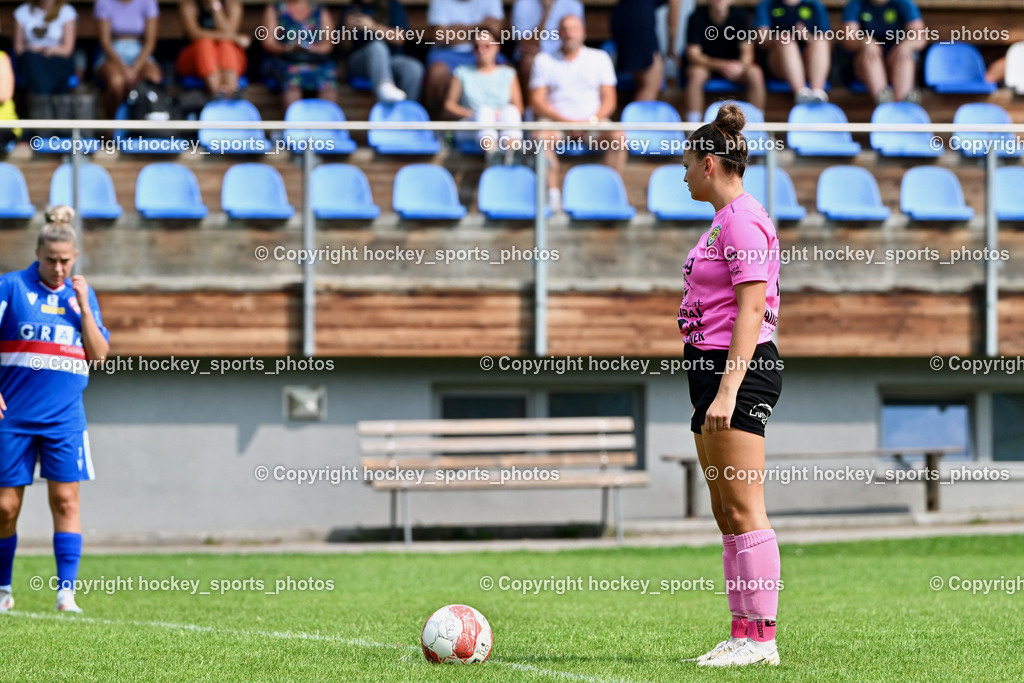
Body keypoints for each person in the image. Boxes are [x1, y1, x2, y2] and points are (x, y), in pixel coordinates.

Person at [676, 104, 783, 667]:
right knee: (725, 511)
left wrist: (727, 391)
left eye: (688, 164)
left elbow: (750, 311)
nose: (684, 174)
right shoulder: (722, 220)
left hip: (736, 372)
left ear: (710, 163)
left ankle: (761, 640)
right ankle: (742, 632)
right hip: (709, 370)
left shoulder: (743, 219)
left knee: (746, 507)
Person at [0, 206, 110, 615]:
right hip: (12, 415)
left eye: (66, 261)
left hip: (65, 417)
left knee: (66, 501)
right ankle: (2, 588)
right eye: (51, 260)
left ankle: (66, 595)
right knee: (5, 507)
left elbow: (98, 354)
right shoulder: (10, 288)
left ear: (75, 256)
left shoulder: (82, 295)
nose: (59, 268)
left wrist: (82, 304)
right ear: (37, 254)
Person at [530, 14, 625, 211]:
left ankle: (608, 193)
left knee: (619, 138)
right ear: (559, 33)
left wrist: (590, 122)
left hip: (592, 123)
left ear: (583, 32)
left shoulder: (600, 58)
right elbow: (537, 101)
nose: (569, 33)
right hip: (557, 123)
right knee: (539, 138)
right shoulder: (543, 60)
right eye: (565, 29)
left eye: (573, 28)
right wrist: (565, 122)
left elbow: (609, 100)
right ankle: (553, 196)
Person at [444, 29, 523, 162]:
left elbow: (518, 108)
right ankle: (492, 154)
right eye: (476, 47)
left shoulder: (508, 73)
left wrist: (496, 114)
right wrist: (474, 114)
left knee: (510, 111)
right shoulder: (461, 72)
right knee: (485, 112)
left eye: (486, 45)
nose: (481, 50)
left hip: (501, 122)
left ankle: (513, 155)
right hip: (471, 125)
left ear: (497, 47)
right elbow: (449, 105)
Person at [685, 0, 766, 121]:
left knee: (756, 73)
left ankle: (759, 125)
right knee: (696, 74)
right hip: (708, 66)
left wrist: (740, 66)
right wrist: (720, 65)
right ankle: (692, 128)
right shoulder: (696, 16)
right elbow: (693, 54)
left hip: (734, 67)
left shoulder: (740, 15)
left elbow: (747, 51)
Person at [423, 0, 504, 115]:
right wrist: (480, 27)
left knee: (507, 69)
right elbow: (440, 36)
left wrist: (457, 29)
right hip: (447, 54)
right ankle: (438, 125)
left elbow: (496, 31)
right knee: (437, 73)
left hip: (483, 48)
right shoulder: (439, 2)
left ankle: (502, 121)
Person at [841, 0, 925, 103]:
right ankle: (883, 101)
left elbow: (920, 37)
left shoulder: (904, 3)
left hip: (894, 58)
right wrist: (864, 41)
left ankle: (904, 103)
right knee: (870, 55)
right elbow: (848, 38)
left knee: (905, 55)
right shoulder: (855, 4)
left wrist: (907, 44)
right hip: (864, 65)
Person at [260, 0, 338, 111]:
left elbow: (328, 44)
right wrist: (290, 48)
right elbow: (268, 43)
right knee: (292, 73)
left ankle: (326, 123)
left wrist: (312, 48)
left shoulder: (318, 9)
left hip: (313, 59)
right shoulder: (276, 8)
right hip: (284, 59)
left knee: (329, 72)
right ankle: (293, 124)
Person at [344, 0, 423, 103]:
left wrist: (373, 27)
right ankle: (384, 85)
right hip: (360, 62)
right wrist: (346, 30)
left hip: (391, 59)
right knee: (377, 46)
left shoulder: (393, 5)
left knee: (414, 68)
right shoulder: (351, 8)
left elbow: (399, 38)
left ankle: (407, 111)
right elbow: (344, 48)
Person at [94, 0, 162, 119]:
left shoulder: (149, 2)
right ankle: (110, 125)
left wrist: (134, 70)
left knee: (152, 78)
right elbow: (105, 42)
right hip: (112, 54)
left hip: (140, 54)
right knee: (116, 81)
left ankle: (141, 124)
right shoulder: (104, 2)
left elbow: (150, 43)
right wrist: (124, 68)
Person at [753, 0, 831, 103]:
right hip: (778, 64)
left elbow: (828, 42)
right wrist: (777, 39)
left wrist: (807, 37)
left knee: (820, 42)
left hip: (809, 64)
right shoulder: (767, 5)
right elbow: (761, 41)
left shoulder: (814, 4)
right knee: (787, 42)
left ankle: (817, 92)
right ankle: (801, 94)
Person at [510, 0, 583, 103]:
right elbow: (528, 43)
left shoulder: (573, 5)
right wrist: (546, 12)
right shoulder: (522, 5)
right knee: (530, 61)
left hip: (565, 53)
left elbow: (576, 37)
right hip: (536, 56)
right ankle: (530, 111)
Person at [610, 0, 681, 102]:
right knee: (652, 83)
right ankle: (636, 117)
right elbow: (672, 18)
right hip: (638, 20)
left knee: (643, 82)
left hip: (621, 14)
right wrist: (671, 47)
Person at [177, 0, 250, 97]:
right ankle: (217, 92)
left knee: (227, 45)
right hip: (194, 59)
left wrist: (216, 9)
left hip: (225, 56)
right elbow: (194, 34)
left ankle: (229, 90)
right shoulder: (188, 4)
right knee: (204, 44)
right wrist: (234, 37)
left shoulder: (233, 5)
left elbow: (230, 32)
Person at [13, 0, 77, 96]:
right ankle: (42, 99)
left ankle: (40, 99)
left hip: (56, 60)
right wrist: (33, 50)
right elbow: (18, 49)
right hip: (31, 60)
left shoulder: (67, 11)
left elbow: (67, 50)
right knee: (30, 60)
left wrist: (44, 49)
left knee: (37, 70)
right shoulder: (22, 12)